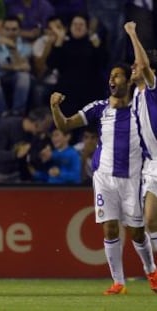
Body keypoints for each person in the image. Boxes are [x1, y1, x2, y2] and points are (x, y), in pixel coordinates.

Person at [50, 63, 157, 295]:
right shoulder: (99, 109)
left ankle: (151, 270)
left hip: (133, 177)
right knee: (109, 228)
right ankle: (119, 282)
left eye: (118, 76)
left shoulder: (140, 108)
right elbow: (65, 124)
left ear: (128, 81)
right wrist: (54, 107)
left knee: (137, 232)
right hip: (104, 178)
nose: (112, 80)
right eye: (111, 76)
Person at [125, 21, 157, 252]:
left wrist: (133, 34)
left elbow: (144, 65)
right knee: (150, 221)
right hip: (151, 165)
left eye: (136, 65)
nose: (133, 68)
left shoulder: (154, 86)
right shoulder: (136, 94)